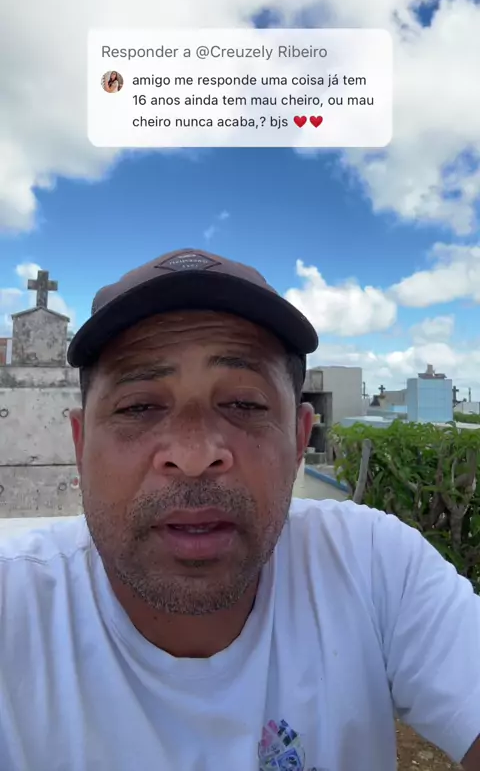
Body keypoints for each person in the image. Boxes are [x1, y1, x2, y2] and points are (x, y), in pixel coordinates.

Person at [0, 247, 479, 771]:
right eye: (139, 406)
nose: (193, 456)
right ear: (80, 442)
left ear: (299, 440)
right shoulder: (13, 609)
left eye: (244, 405)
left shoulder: (374, 567)